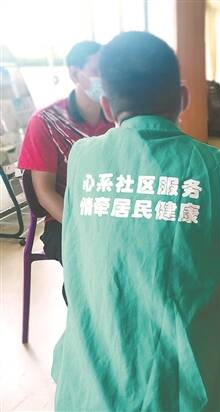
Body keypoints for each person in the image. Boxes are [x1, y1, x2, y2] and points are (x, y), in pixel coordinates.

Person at [51, 31, 220, 411]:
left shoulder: (82, 159)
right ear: (184, 97)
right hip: (195, 399)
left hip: (86, 395)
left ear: (106, 106)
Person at [18, 41, 113, 302]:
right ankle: (84, 319)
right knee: (90, 268)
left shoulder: (118, 117)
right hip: (64, 221)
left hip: (112, 212)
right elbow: (44, 193)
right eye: (97, 71)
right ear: (74, 74)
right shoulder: (46, 122)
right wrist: (85, 226)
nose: (106, 79)